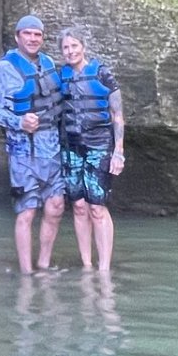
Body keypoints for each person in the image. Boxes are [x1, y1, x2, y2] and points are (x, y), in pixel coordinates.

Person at [0, 15, 65, 274]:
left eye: (37, 34)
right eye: (27, 33)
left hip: (53, 150)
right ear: (18, 36)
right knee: (27, 211)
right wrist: (18, 121)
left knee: (56, 207)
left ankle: (44, 265)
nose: (33, 39)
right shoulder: (3, 68)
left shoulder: (49, 63)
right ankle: (27, 272)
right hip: (22, 151)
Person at [57, 26, 125, 271]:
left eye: (74, 45)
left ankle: (104, 267)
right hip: (72, 148)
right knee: (78, 205)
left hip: (99, 146)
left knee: (97, 207)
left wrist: (118, 151)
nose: (70, 51)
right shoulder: (61, 76)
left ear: (83, 47)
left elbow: (118, 115)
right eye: (65, 47)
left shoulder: (102, 73)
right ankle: (87, 264)